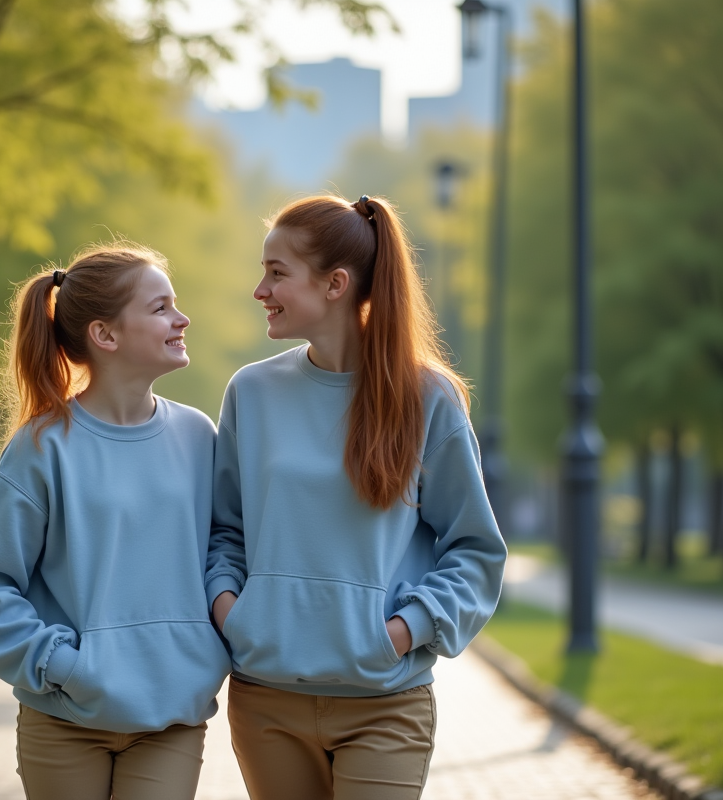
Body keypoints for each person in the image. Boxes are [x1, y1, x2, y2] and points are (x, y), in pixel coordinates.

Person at [206, 195, 506, 800]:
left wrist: (401, 631)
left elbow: (475, 550)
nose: (259, 289)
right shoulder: (252, 391)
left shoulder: (427, 398)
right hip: (268, 700)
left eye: (277, 273)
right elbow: (225, 531)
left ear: (336, 283)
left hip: (385, 703)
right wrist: (233, 613)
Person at [0, 243, 230, 800]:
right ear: (105, 336)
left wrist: (210, 647)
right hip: (63, 718)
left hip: (170, 719)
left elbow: (225, 547)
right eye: (159, 308)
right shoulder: (43, 446)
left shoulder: (199, 437)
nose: (182, 319)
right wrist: (60, 665)